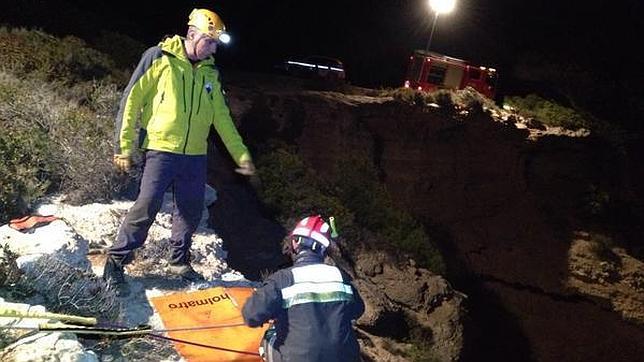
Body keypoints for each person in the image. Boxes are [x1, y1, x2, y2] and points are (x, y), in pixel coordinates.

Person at [103, 8, 255, 296]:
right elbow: (131, 100)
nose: (213, 48)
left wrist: (241, 155)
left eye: (215, 44)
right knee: (146, 205)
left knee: (190, 209)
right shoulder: (158, 58)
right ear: (193, 34)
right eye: (209, 41)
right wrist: (123, 147)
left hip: (195, 155)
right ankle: (117, 260)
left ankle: (179, 262)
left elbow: (221, 119)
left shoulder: (210, 72)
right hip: (161, 149)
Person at [242, 215, 364, 362]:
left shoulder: (283, 279)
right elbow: (358, 310)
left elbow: (251, 315)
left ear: (294, 243)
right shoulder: (340, 276)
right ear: (324, 249)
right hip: (345, 357)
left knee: (270, 336)